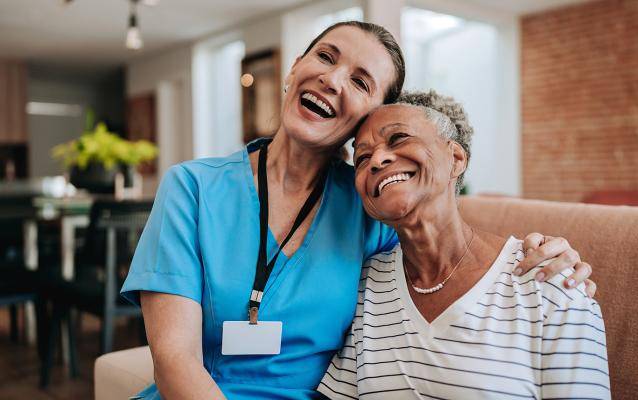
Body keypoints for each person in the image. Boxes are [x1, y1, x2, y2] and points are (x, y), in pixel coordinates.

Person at [121, 22, 595, 399]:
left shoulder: (368, 206)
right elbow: (175, 360)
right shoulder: (193, 188)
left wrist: (538, 251)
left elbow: (442, 240)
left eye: (360, 81)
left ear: (369, 119)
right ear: (294, 70)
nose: (331, 78)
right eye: (325, 57)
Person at [319, 91, 610, 399]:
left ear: (455, 159)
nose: (377, 160)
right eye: (362, 157)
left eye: (399, 138)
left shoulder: (549, 282)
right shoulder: (364, 287)